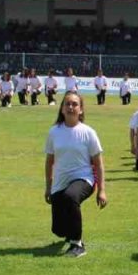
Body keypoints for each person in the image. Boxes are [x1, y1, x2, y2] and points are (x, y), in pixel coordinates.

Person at [44, 91, 107, 257]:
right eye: (67, 104)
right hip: (60, 182)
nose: (71, 107)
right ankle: (70, 234)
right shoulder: (54, 132)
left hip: (84, 178)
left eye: (74, 104)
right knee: (58, 230)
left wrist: (102, 190)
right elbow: (49, 161)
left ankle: (78, 245)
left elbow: (98, 163)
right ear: (62, 109)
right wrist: (48, 187)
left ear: (81, 110)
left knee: (71, 197)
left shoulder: (88, 132)